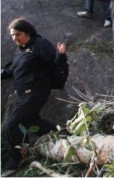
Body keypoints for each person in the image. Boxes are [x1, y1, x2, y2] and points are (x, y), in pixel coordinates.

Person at [2, 18, 66, 172]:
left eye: (18, 34)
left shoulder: (39, 44)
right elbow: (13, 70)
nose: (15, 38)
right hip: (24, 94)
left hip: (35, 92)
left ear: (27, 32)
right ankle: (66, 136)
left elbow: (55, 62)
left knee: (11, 126)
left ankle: (17, 160)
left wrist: (61, 55)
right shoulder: (22, 49)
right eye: (12, 35)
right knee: (32, 123)